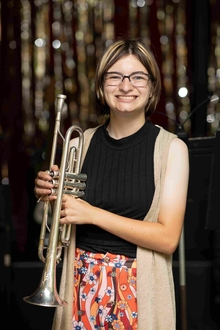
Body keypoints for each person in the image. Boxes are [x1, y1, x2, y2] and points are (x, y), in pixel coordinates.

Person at [34, 38, 189, 330]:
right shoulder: (78, 143)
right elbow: (58, 228)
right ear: (101, 86)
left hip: (139, 292)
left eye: (137, 77)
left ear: (152, 87)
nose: (126, 86)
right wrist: (48, 197)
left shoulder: (171, 149)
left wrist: (92, 214)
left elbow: (168, 239)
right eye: (114, 76)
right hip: (78, 286)